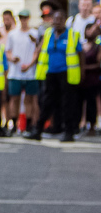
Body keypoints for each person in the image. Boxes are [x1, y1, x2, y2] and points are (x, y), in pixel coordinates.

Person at [30, 8, 81, 142]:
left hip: (67, 74)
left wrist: (82, 73)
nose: (57, 22)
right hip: (51, 73)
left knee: (67, 104)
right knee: (47, 103)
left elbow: (81, 55)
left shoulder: (72, 35)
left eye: (60, 19)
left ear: (65, 21)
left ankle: (68, 132)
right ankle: (38, 130)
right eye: (55, 19)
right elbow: (40, 50)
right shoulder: (48, 34)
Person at [4, 9, 40, 136]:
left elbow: (37, 51)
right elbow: (7, 51)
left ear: (28, 18)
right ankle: (14, 124)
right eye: (21, 18)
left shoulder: (34, 33)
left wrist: (30, 64)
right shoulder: (13, 34)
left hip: (30, 72)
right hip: (15, 71)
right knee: (14, 98)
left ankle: (28, 125)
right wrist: (13, 58)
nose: (23, 20)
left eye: (25, 18)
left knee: (29, 99)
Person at [79, 20, 100, 134]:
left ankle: (92, 125)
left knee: (91, 103)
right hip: (81, 79)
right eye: (88, 30)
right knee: (79, 102)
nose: (90, 32)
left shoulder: (98, 46)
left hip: (92, 79)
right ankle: (80, 123)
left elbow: (98, 63)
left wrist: (85, 67)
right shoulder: (81, 45)